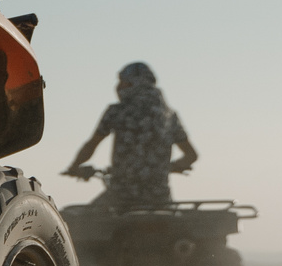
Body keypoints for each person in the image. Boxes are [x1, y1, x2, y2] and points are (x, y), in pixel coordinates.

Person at [64, 63, 198, 209]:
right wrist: (168, 167)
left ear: (134, 83)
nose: (119, 87)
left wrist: (75, 166)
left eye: (123, 82)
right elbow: (191, 155)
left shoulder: (117, 111)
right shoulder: (169, 115)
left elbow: (92, 144)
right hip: (159, 199)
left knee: (75, 222)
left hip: (122, 197)